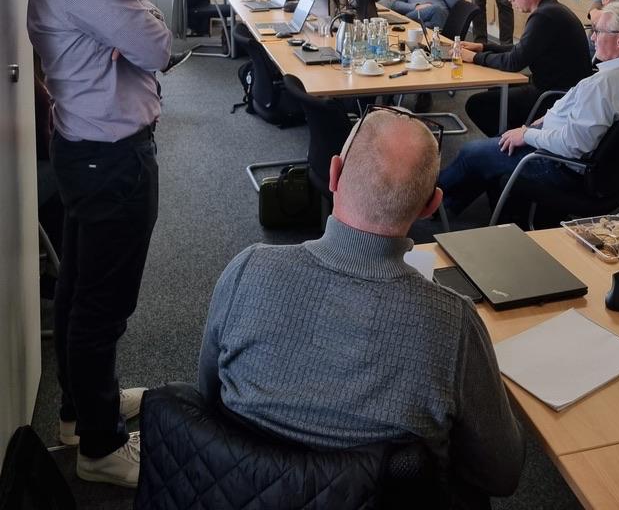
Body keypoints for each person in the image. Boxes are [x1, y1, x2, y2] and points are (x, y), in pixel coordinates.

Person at [198, 107, 524, 500]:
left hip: (242, 494)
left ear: (333, 174)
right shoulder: (453, 324)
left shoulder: (247, 270)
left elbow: (208, 401)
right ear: (431, 205)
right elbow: (501, 474)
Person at [27, 0, 173, 489]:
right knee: (101, 305)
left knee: (83, 289)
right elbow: (156, 42)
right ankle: (101, 446)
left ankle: (80, 410)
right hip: (109, 159)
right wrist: (136, 22)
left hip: (88, 150)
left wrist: (130, 28)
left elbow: (137, 40)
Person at [439, 3, 619, 224]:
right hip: (607, 173)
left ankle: (430, 203)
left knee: (472, 153)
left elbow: (572, 145)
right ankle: (450, 202)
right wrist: (538, 124)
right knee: (491, 152)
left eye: (598, 31)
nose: (593, 37)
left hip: (559, 164)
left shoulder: (603, 86)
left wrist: (527, 135)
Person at [461, 0, 592, 136]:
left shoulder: (542, 17)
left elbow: (513, 62)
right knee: (495, 89)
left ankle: (512, 143)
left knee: (476, 104)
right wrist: (484, 47)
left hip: (555, 96)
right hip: (565, 89)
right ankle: (517, 133)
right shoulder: (551, 9)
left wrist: (475, 57)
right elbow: (523, 48)